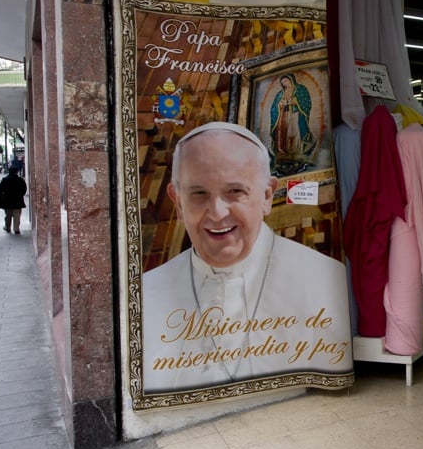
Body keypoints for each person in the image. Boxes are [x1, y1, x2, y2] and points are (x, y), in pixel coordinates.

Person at [139, 122, 353, 394]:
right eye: (199, 194)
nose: (217, 213)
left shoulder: (324, 280)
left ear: (266, 196)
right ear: (178, 202)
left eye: (235, 192)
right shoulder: (144, 294)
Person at [269, 73, 316, 171]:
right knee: (283, 133)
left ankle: (297, 152)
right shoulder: (281, 93)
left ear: (291, 80)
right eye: (282, 83)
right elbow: (274, 106)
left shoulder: (300, 89)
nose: (284, 84)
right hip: (283, 115)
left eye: (286, 81)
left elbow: (305, 101)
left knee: (295, 132)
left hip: (295, 114)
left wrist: (293, 102)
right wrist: (280, 105)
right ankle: (283, 153)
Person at [0, 166, 28, 234]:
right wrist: (20, 195)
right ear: (17, 172)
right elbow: (24, 189)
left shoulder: (5, 180)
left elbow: (0, 191)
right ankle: (16, 229)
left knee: (8, 215)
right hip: (18, 200)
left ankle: (7, 227)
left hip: (7, 201)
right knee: (17, 215)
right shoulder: (20, 180)